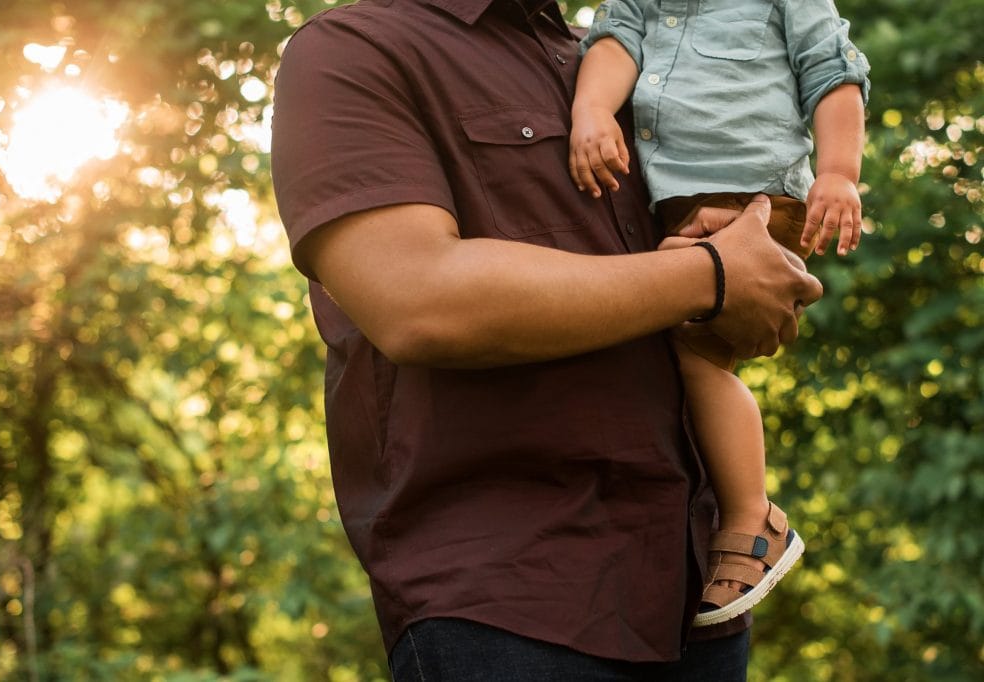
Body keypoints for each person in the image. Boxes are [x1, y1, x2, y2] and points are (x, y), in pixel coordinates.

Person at [271, 1, 822, 679]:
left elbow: (742, 287)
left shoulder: (620, 57)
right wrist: (706, 274)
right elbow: (418, 301)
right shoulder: (355, 48)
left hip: (699, 603)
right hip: (508, 603)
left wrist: (731, 240)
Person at [568, 0, 869, 627]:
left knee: (698, 358)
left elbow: (831, 73)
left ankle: (750, 516)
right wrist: (593, 111)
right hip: (672, 209)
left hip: (759, 202)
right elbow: (614, 44)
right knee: (661, 354)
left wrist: (838, 172)